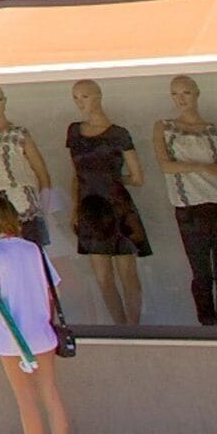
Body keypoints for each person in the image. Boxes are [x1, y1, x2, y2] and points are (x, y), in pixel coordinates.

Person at [0, 192, 72, 434]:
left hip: (13, 337)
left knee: (25, 398)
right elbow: (53, 287)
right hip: (42, 331)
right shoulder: (33, 250)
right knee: (50, 394)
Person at [156, 75, 217, 327]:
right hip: (190, 208)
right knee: (201, 273)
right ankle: (208, 329)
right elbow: (165, 165)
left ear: (197, 93)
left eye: (186, 93)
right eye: (175, 94)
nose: (181, 99)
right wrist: (203, 167)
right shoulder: (165, 128)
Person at [61, 80, 150, 324]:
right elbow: (75, 173)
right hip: (89, 207)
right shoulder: (74, 131)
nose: (81, 103)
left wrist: (112, 179)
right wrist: (75, 209)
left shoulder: (118, 133)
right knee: (102, 275)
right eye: (76, 98)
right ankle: (119, 326)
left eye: (85, 97)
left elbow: (137, 176)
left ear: (98, 96)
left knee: (127, 273)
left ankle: (134, 326)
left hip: (117, 207)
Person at [0, 85, 52, 244]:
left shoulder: (18, 134)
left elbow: (41, 172)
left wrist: (44, 208)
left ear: (5, 101)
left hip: (24, 203)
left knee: (32, 254)